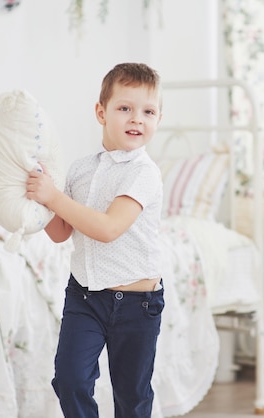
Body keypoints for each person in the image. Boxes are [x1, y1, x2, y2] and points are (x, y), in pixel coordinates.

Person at [26, 62, 165, 418]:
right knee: (70, 380)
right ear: (101, 113)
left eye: (148, 111)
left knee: (132, 398)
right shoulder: (81, 169)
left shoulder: (143, 173)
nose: (137, 119)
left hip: (138, 305)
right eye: (125, 108)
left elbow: (107, 229)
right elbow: (59, 232)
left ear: (158, 118)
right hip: (85, 297)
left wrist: (54, 197)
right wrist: (37, 199)